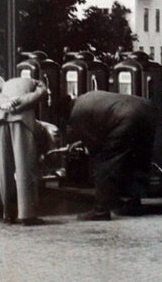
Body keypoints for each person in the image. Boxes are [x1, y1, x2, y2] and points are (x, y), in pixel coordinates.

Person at [66, 90, 156, 221]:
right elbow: (106, 122)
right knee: (137, 158)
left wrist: (89, 151)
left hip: (127, 117)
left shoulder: (75, 114)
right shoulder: (86, 97)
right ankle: (134, 203)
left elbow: (95, 146)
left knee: (105, 162)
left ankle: (100, 211)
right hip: (146, 109)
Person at [0, 77, 48, 226]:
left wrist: (5, 103)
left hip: (1, 120)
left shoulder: (4, 85)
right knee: (25, 168)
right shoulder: (36, 83)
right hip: (22, 120)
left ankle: (8, 214)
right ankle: (27, 215)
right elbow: (41, 92)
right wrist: (19, 101)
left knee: (4, 169)